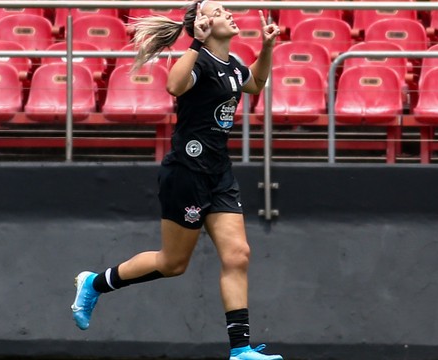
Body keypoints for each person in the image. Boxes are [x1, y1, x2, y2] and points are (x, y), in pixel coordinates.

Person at [70, 2, 283, 359]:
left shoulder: (232, 65)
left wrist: (267, 47)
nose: (229, 13)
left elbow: (256, 83)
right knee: (173, 263)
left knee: (238, 254)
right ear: (203, 24)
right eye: (219, 10)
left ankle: (241, 350)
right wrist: (195, 44)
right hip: (187, 171)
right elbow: (173, 85)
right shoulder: (198, 60)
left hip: (219, 173)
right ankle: (94, 283)